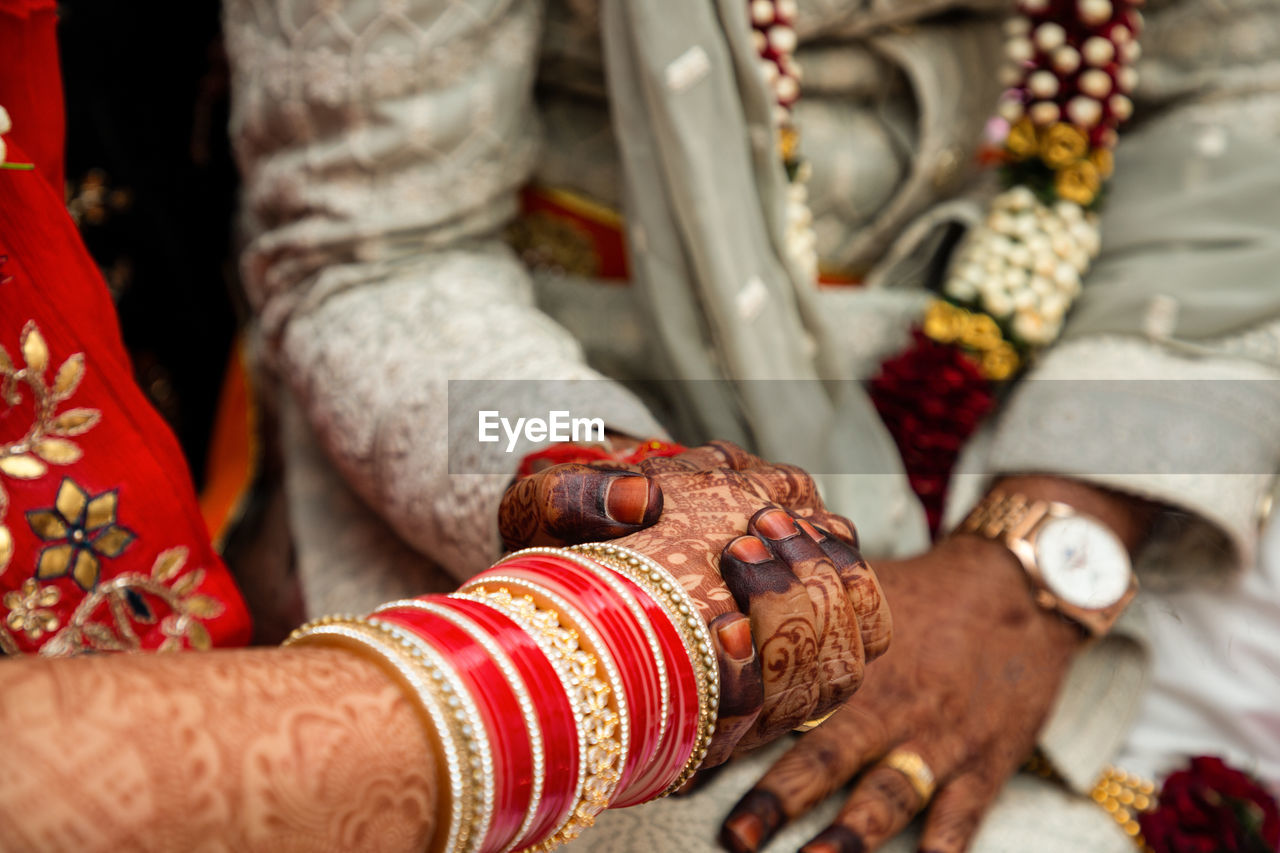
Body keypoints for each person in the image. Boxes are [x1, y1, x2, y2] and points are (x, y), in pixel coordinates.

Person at [221, 0, 1280, 851]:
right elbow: (376, 255)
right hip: (550, 412)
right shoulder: (613, 496)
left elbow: (1234, 94)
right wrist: (630, 509)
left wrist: (1041, 558)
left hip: (1077, 385)